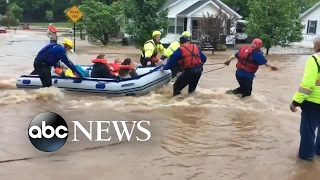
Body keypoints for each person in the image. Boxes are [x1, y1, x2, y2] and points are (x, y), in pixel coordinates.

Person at [289, 35, 320, 162]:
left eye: (314, 44)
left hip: (313, 103)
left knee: (308, 131)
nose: (313, 47)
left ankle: (306, 158)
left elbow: (307, 86)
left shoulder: (314, 60)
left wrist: (295, 102)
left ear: (318, 45)